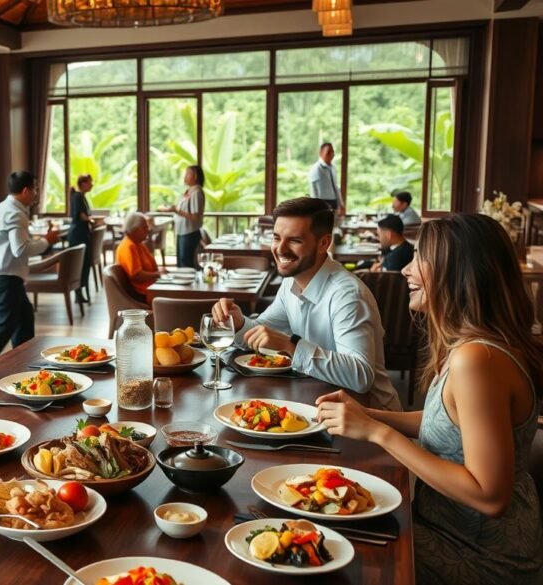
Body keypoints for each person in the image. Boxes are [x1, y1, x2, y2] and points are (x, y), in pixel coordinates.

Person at [316, 214, 543, 584]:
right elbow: (448, 421)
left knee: (333, 556)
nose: (406, 269)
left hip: (477, 554)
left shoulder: (477, 360)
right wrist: (368, 414)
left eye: (420, 257)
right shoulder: (472, 347)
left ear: (459, 272)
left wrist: (377, 433)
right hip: (443, 527)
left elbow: (490, 496)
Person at [213, 197, 401, 411]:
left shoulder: (347, 295)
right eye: (276, 238)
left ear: (323, 243)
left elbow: (360, 376)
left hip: (370, 420)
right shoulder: (290, 283)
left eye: (294, 240)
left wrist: (290, 345)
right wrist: (238, 324)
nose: (280, 249)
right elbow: (263, 333)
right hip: (317, 404)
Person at [0, 171, 59, 362]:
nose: (36, 193)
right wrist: (46, 241)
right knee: (4, 326)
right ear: (25, 190)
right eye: (35, 189)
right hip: (5, 275)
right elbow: (20, 249)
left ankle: (24, 363)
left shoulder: (0, 208)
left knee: (24, 318)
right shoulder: (15, 213)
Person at [159, 165, 204, 269]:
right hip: (182, 232)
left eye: (188, 174)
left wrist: (177, 211)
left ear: (196, 176)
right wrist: (173, 210)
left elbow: (195, 217)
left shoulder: (196, 192)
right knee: (180, 263)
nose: (185, 176)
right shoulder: (189, 191)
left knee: (186, 264)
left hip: (189, 233)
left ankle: (189, 285)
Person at [115, 212, 162, 302]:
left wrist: (159, 273)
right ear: (134, 229)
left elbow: (153, 267)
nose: (148, 230)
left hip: (152, 288)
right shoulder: (128, 246)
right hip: (142, 294)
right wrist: (158, 274)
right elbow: (136, 275)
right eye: (145, 227)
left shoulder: (138, 244)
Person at [67, 174, 94, 303]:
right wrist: (93, 221)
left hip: (82, 233)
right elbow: (82, 216)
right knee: (81, 264)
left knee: (85, 263)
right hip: (78, 235)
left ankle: (80, 291)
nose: (92, 185)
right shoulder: (77, 197)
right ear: (82, 183)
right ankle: (78, 292)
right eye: (89, 182)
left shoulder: (81, 197)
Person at [308, 142, 344, 216]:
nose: (331, 154)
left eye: (332, 151)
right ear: (321, 153)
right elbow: (313, 188)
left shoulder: (333, 168)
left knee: (334, 224)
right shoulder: (316, 168)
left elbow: (336, 187)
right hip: (322, 202)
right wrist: (315, 206)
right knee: (323, 225)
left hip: (333, 201)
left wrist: (341, 203)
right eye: (328, 152)